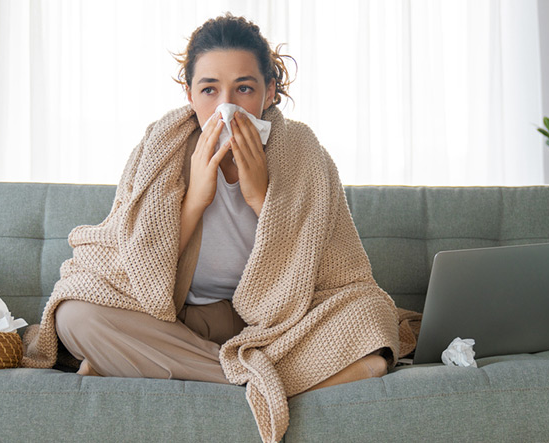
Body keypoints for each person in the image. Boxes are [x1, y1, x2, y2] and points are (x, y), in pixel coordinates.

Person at [23, 13, 407, 443]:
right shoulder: (161, 146)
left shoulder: (302, 151)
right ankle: (270, 382)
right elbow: (134, 267)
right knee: (77, 316)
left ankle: (147, 366)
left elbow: (335, 272)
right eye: (210, 90)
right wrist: (195, 199)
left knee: (373, 315)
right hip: (181, 321)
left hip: (275, 325)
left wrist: (263, 197)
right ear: (189, 95)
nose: (227, 106)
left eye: (244, 88)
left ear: (270, 92)